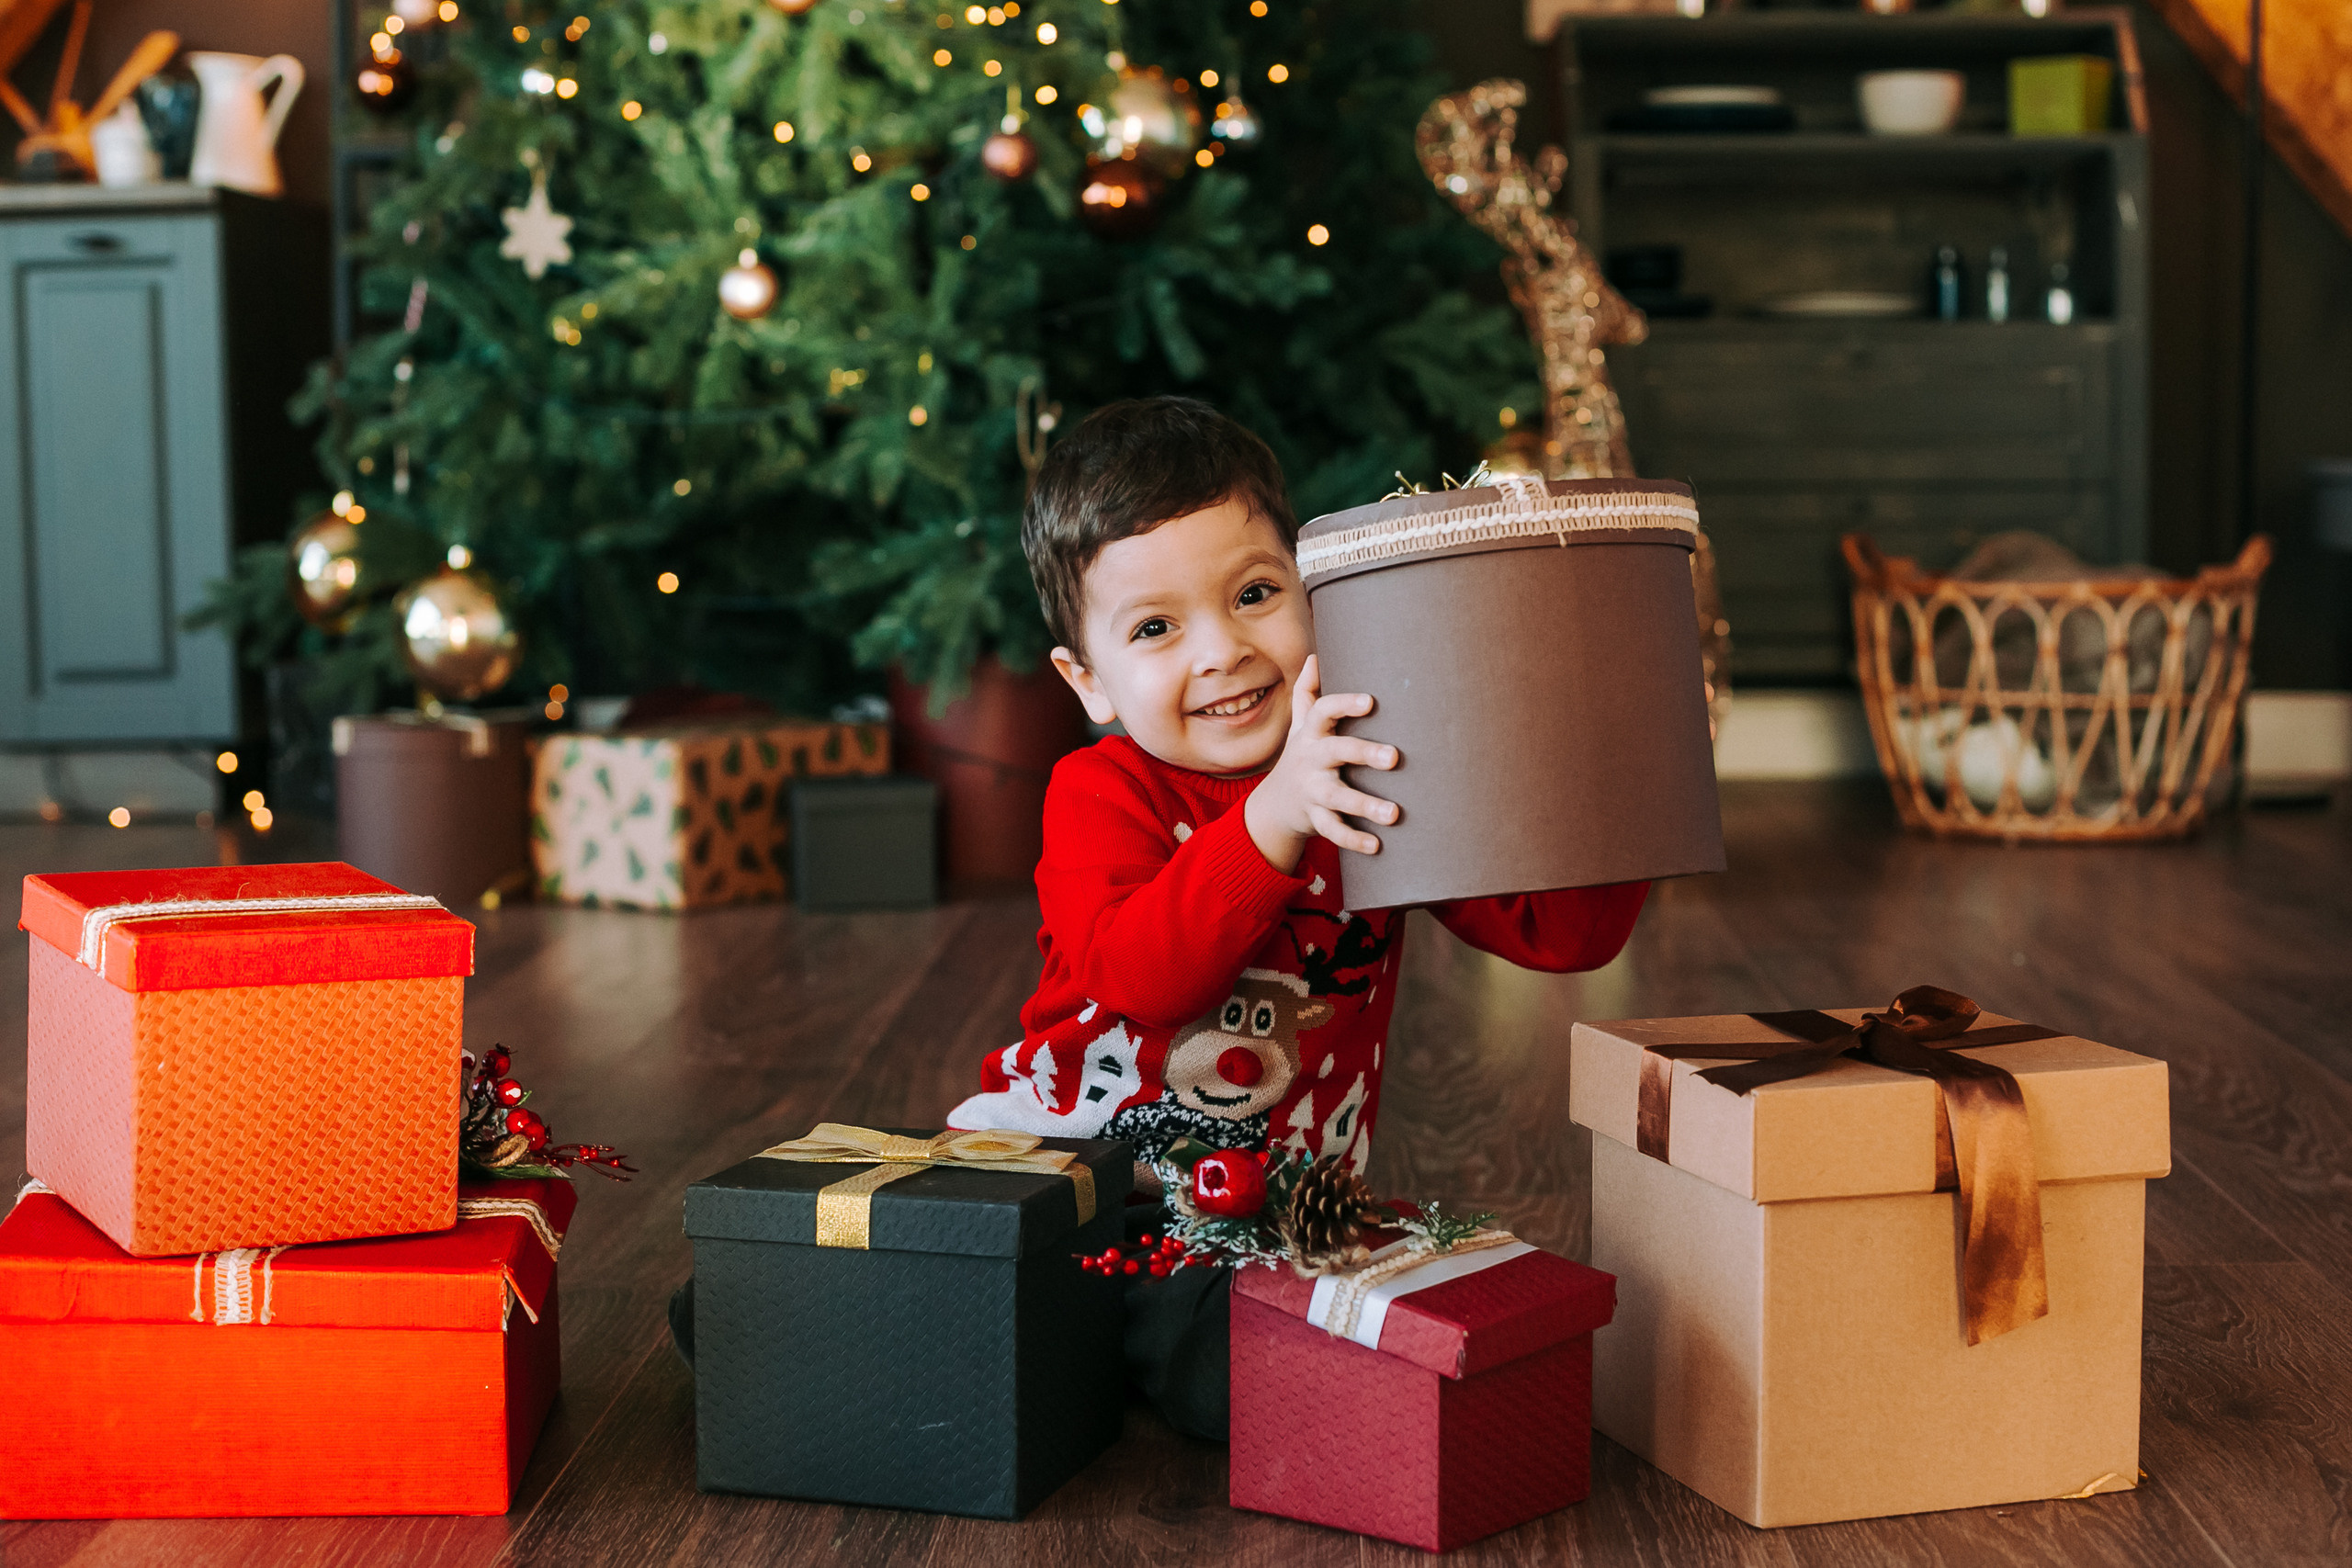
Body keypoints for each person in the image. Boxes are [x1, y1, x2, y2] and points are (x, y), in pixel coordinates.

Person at [944, 396, 1648, 1440]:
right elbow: (1141, 978)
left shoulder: (1366, 774)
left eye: (1255, 594)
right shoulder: (1100, 791)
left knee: (1325, 1339)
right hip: (1077, 1176)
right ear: (1087, 681)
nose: (1222, 649)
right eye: (1155, 628)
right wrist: (1272, 818)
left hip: (1273, 1214)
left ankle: (1091, 1347)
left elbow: (1560, 936)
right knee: (945, 1293)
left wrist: (1604, 782)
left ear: (1319, 598)